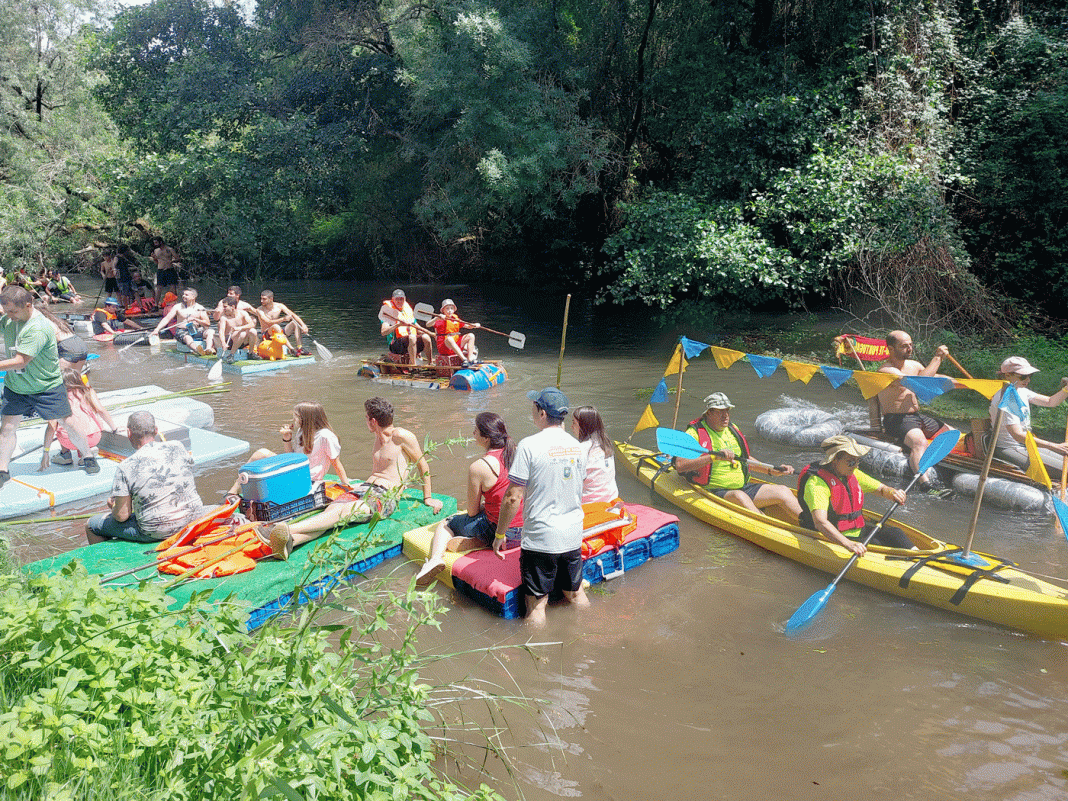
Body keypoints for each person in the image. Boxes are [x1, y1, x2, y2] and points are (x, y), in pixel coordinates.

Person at [256, 397, 443, 559]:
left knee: (345, 513)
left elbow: (422, 465)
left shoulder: (401, 436)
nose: (365, 422)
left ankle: (284, 530)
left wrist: (428, 498)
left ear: (373, 421)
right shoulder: (378, 437)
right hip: (364, 487)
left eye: (366, 418)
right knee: (329, 515)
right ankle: (291, 542)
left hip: (386, 496)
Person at [493, 387, 589, 626]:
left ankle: (537, 660)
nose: (532, 411)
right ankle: (589, 635)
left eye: (534, 407)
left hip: (541, 538)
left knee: (537, 606)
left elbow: (513, 496)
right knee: (575, 594)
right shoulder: (577, 446)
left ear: (543, 413)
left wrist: (499, 534)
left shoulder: (528, 446)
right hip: (572, 534)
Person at [0, 286, 98, 486]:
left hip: (46, 386)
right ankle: (3, 470)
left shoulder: (39, 327)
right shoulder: (10, 319)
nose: (8, 316)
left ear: (28, 306)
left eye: (13, 312)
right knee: (7, 428)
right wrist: (8, 316)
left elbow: (21, 361)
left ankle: (87, 455)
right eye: (5, 311)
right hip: (16, 386)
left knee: (67, 422)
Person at [415, 412, 523, 586]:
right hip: (524, 532)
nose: (473, 434)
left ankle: (435, 560)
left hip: (501, 533)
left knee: (446, 523)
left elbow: (472, 511)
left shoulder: (480, 466)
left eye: (475, 431)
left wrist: (484, 506)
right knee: (483, 516)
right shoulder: (518, 452)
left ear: (486, 438)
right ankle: (479, 541)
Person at [675, 392, 801, 521]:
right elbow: (680, 466)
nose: (725, 416)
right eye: (720, 411)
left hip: (743, 487)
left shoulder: (733, 429)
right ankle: (767, 525)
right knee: (739, 496)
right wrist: (713, 457)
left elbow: (745, 460)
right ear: (709, 413)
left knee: (783, 490)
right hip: (715, 490)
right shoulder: (693, 433)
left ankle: (810, 524)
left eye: (727, 410)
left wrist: (772, 471)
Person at [85, 411, 205, 543]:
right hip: (194, 519)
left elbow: (121, 516)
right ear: (156, 430)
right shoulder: (178, 446)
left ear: (129, 433)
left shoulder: (126, 466)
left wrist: (114, 506)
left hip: (156, 531)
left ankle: (106, 562)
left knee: (91, 525)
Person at [798, 435, 912, 554]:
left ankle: (920, 557)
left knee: (895, 532)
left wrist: (893, 493)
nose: (856, 466)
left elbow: (882, 489)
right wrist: (847, 543)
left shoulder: (851, 473)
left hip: (858, 531)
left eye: (858, 461)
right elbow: (820, 522)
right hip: (834, 537)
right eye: (851, 462)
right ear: (835, 459)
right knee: (877, 543)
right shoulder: (817, 484)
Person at [876, 330, 955, 496]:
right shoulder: (886, 370)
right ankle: (926, 485)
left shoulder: (914, 365)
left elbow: (934, 376)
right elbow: (918, 384)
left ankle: (939, 465)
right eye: (904, 346)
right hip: (896, 419)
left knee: (952, 433)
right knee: (920, 443)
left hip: (917, 417)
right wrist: (937, 358)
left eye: (911, 345)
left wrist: (968, 384)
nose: (909, 348)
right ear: (891, 349)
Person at [226, 401, 349, 499]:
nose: (294, 420)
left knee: (263, 456)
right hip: (295, 469)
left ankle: (234, 492)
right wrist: (287, 439)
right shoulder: (301, 432)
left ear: (306, 419)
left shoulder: (325, 436)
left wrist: (346, 485)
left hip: (307, 478)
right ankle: (233, 490)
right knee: (261, 453)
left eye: (296, 417)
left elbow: (336, 463)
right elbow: (292, 457)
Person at [988, 356, 1068, 473]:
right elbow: (1017, 435)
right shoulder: (1007, 398)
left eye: (1030, 376)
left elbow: (1051, 402)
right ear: (1007, 375)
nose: (1028, 380)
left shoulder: (1021, 390)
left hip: (1026, 444)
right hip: (1011, 447)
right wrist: (1053, 445)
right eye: (1023, 376)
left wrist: (1066, 389)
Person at [40, 367, 117, 470]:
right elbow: (100, 410)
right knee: (83, 421)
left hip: (69, 441)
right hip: (94, 437)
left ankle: (65, 454)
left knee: (63, 425)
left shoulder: (58, 398)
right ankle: (84, 453)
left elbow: (51, 427)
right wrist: (114, 428)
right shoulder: (87, 391)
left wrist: (46, 451)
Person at [571, 405, 619, 503]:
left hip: (590, 503)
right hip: (611, 498)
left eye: (574, 423)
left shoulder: (581, 449)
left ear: (584, 426)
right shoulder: (606, 445)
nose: (571, 426)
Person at [149, 288, 214, 355]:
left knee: (211, 331)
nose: (183, 296)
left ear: (193, 297)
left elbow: (207, 323)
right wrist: (157, 329)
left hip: (197, 330)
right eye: (183, 294)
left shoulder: (200, 308)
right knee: (187, 338)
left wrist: (196, 320)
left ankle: (208, 349)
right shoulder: (177, 307)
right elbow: (167, 319)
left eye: (186, 295)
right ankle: (197, 350)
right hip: (182, 331)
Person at [380, 289, 433, 366]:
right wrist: (397, 325)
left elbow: (418, 329)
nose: (399, 301)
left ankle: (430, 363)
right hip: (396, 345)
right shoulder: (388, 313)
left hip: (409, 341)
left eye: (401, 299)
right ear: (393, 299)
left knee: (426, 337)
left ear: (404, 299)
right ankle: (413, 365)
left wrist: (432, 334)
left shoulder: (407, 311)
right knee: (412, 337)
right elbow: (383, 332)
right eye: (397, 299)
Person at [256, 290, 310, 356]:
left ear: (271, 299)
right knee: (276, 326)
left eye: (264, 299)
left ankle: (299, 348)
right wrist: (283, 319)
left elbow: (293, 315)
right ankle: (291, 349)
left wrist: (303, 325)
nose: (261, 301)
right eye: (261, 299)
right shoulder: (259, 309)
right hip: (267, 335)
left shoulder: (279, 306)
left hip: (278, 333)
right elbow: (268, 322)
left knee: (294, 323)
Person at [37, 305, 88, 369]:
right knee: (76, 376)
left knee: (60, 377)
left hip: (67, 347)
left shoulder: (42, 321)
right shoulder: (56, 320)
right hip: (80, 344)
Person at [215, 297, 259, 362]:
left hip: (243, 340)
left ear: (232, 307)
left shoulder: (243, 313)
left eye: (225, 307)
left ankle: (251, 353)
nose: (223, 309)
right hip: (230, 341)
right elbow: (221, 331)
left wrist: (239, 328)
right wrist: (223, 343)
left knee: (253, 331)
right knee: (242, 334)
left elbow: (252, 324)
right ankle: (231, 355)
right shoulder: (224, 317)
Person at [150, 237, 181, 302]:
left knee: (173, 287)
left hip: (169, 269)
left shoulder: (170, 249)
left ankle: (175, 303)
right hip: (160, 270)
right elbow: (156, 262)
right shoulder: (156, 251)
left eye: (156, 242)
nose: (155, 244)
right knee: (159, 288)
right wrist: (154, 258)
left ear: (161, 242)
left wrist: (172, 261)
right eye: (154, 243)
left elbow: (178, 259)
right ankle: (156, 305)